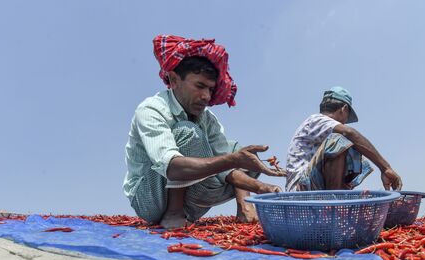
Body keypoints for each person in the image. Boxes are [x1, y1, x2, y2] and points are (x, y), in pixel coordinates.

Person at [124, 35, 285, 228]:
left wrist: (263, 188)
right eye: (199, 86)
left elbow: (226, 165)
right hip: (151, 199)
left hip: (194, 201)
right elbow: (171, 166)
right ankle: (173, 214)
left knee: (239, 151)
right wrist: (233, 160)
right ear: (174, 80)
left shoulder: (207, 119)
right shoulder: (152, 109)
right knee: (188, 133)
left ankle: (245, 207)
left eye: (210, 89)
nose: (206, 96)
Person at [285, 86, 402, 192]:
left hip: (312, 186)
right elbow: (349, 132)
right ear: (344, 109)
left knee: (355, 154)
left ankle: (338, 195)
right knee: (339, 140)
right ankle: (335, 202)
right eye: (347, 117)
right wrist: (385, 168)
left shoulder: (318, 126)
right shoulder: (315, 120)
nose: (345, 122)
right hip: (300, 190)